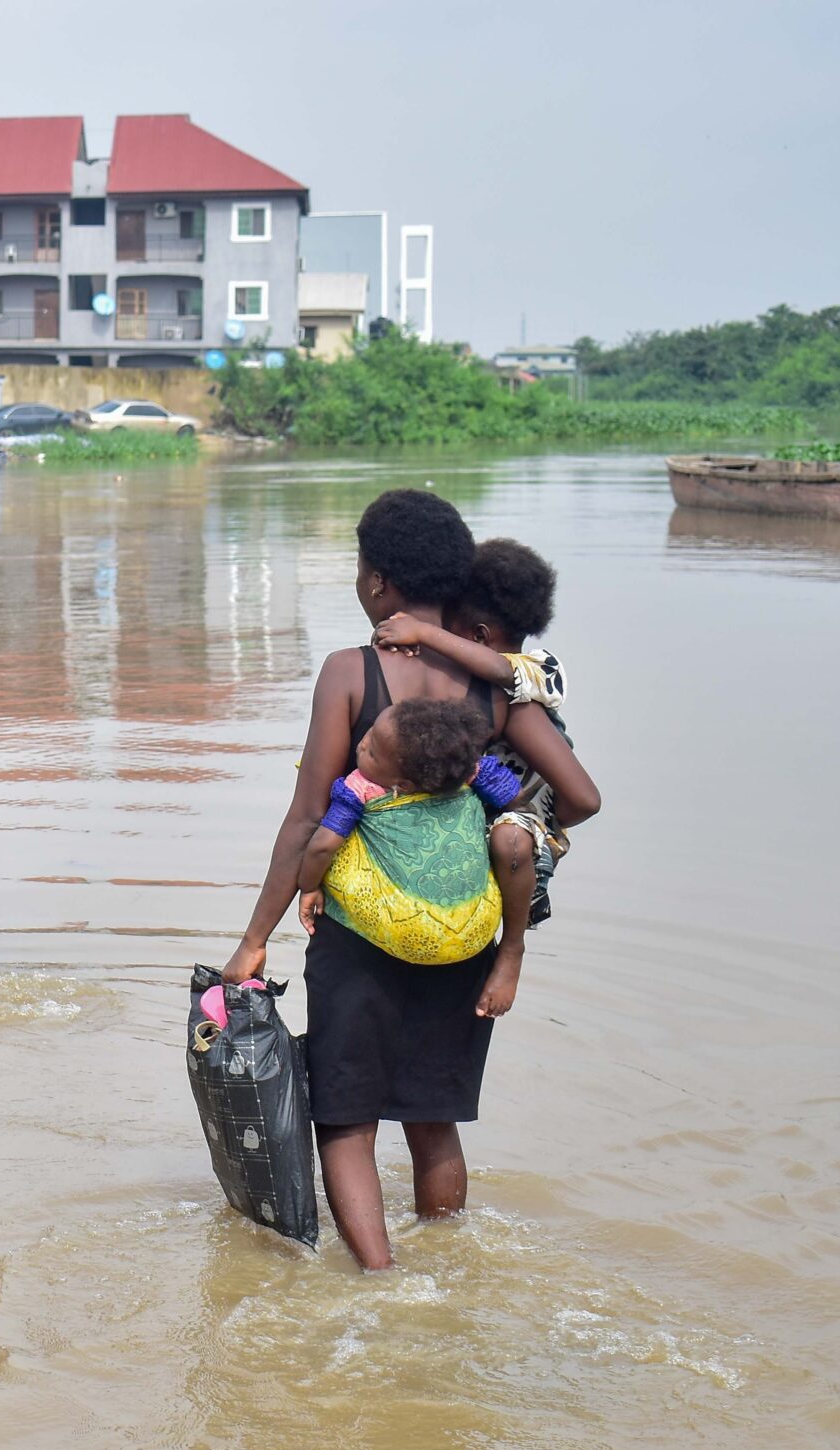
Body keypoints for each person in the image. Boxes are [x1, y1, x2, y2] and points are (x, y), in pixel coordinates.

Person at [220, 489, 597, 1271]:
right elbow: (579, 795)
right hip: (462, 937)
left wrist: (254, 939)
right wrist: (507, 834)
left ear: (378, 583)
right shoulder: (492, 687)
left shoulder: (351, 672)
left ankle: (381, 1283)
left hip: (361, 935)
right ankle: (449, 1273)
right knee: (433, 1119)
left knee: (347, 1122)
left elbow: (304, 818)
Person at [373, 538, 572, 966]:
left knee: (513, 842)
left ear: (479, 636)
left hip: (524, 834)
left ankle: (513, 948)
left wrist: (426, 633)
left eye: (451, 630)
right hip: (504, 819)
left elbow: (585, 799)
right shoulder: (487, 692)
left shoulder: (538, 674)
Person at [294, 697, 522, 966]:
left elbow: (323, 845)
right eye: (369, 735)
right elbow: (513, 798)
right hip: (477, 932)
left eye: (372, 753)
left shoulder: (360, 788)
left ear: (402, 785)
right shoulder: (469, 770)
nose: (363, 744)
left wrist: (308, 887)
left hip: (402, 930)